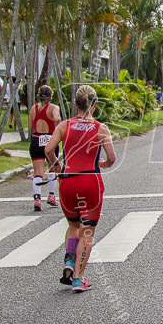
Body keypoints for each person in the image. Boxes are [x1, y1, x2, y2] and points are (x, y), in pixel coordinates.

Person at [45, 85, 116, 293]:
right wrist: (104, 164)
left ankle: (69, 260)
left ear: (75, 104)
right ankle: (78, 278)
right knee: (87, 231)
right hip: (90, 181)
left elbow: (49, 149)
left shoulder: (64, 125)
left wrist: (57, 167)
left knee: (73, 225)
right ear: (94, 105)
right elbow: (112, 158)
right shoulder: (101, 128)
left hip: (68, 181)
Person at [29, 85, 62, 211]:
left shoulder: (34, 108)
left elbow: (31, 125)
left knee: (38, 171)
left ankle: (37, 198)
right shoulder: (54, 107)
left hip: (37, 139)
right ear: (51, 95)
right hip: (49, 139)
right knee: (52, 168)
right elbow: (56, 118)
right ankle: (51, 195)